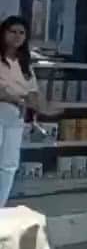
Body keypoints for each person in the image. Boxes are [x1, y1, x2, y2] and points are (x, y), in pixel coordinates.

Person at [0, 16, 58, 207]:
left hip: (15, 118)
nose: (17, 36)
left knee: (9, 165)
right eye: (13, 31)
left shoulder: (25, 64)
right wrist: (14, 98)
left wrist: (45, 108)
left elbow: (33, 93)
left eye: (21, 33)